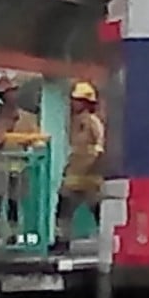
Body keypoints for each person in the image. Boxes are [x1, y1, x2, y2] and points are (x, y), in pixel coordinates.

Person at [50, 81, 105, 254]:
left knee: (97, 210)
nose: (74, 103)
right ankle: (61, 241)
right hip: (74, 173)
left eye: (77, 100)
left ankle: (106, 240)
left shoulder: (93, 122)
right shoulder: (73, 122)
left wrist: (94, 164)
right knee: (63, 208)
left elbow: (100, 146)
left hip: (90, 174)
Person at [0, 75, 41, 245]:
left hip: (19, 166)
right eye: (7, 93)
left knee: (14, 202)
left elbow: (36, 139)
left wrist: (34, 148)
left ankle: (13, 234)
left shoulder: (26, 118)